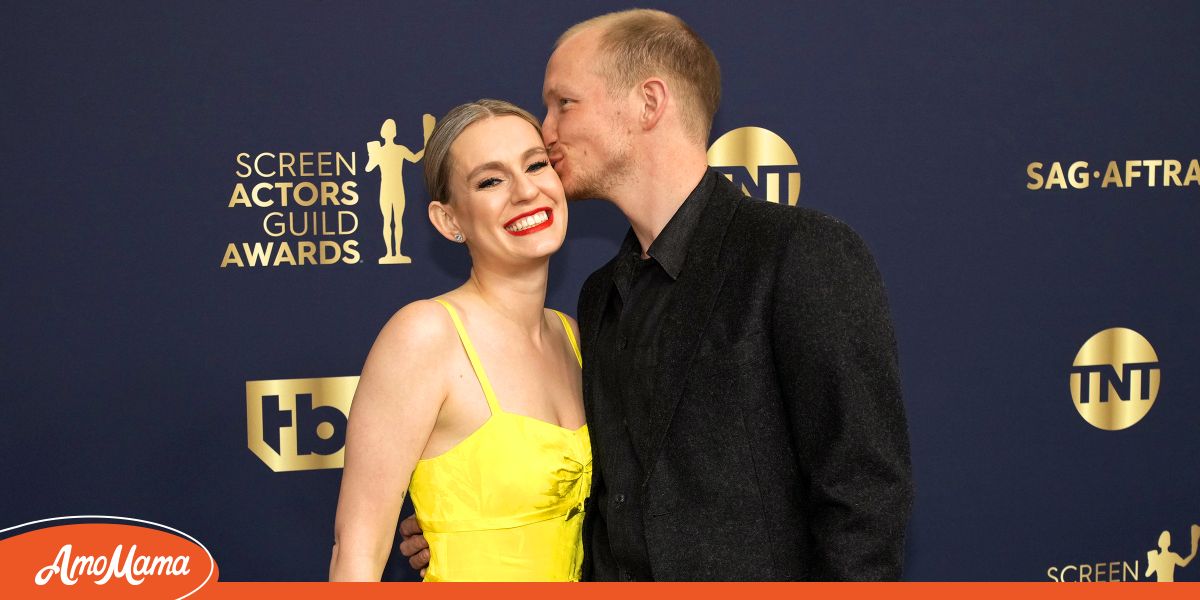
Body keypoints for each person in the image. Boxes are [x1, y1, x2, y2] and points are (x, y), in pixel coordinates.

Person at [403, 8, 913, 580]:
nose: (546, 132)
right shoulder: (600, 297)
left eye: (564, 103)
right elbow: (611, 494)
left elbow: (863, 496)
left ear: (648, 103)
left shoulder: (798, 253)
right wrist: (480, 518)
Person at [329, 99, 590, 582]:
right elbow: (357, 554)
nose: (526, 190)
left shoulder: (573, 336)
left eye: (536, 165)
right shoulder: (426, 335)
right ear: (449, 221)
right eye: (490, 181)